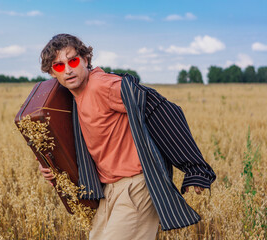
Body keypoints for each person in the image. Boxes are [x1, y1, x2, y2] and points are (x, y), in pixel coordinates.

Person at [38, 33, 216, 240]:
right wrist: (51, 166)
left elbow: (161, 107)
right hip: (108, 189)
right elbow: (62, 137)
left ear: (85, 59)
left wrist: (194, 167)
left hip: (136, 185)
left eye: (73, 60)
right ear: (52, 72)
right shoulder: (70, 98)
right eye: (59, 66)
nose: (68, 69)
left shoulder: (102, 85)